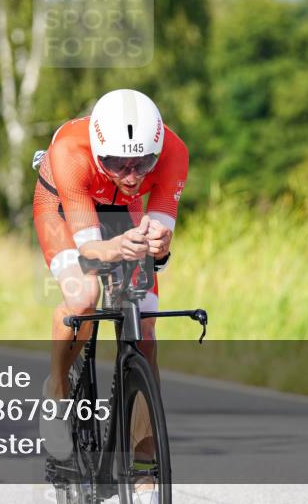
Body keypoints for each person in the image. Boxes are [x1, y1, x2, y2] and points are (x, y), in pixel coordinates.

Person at [32, 88, 188, 459]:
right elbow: (89, 250)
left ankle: (144, 462)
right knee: (84, 296)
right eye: (118, 163)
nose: (132, 176)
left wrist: (158, 246)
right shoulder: (71, 151)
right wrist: (117, 248)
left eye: (142, 164)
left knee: (145, 322)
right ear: (100, 150)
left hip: (122, 212)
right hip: (63, 207)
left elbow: (161, 235)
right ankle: (56, 391)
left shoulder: (174, 152)